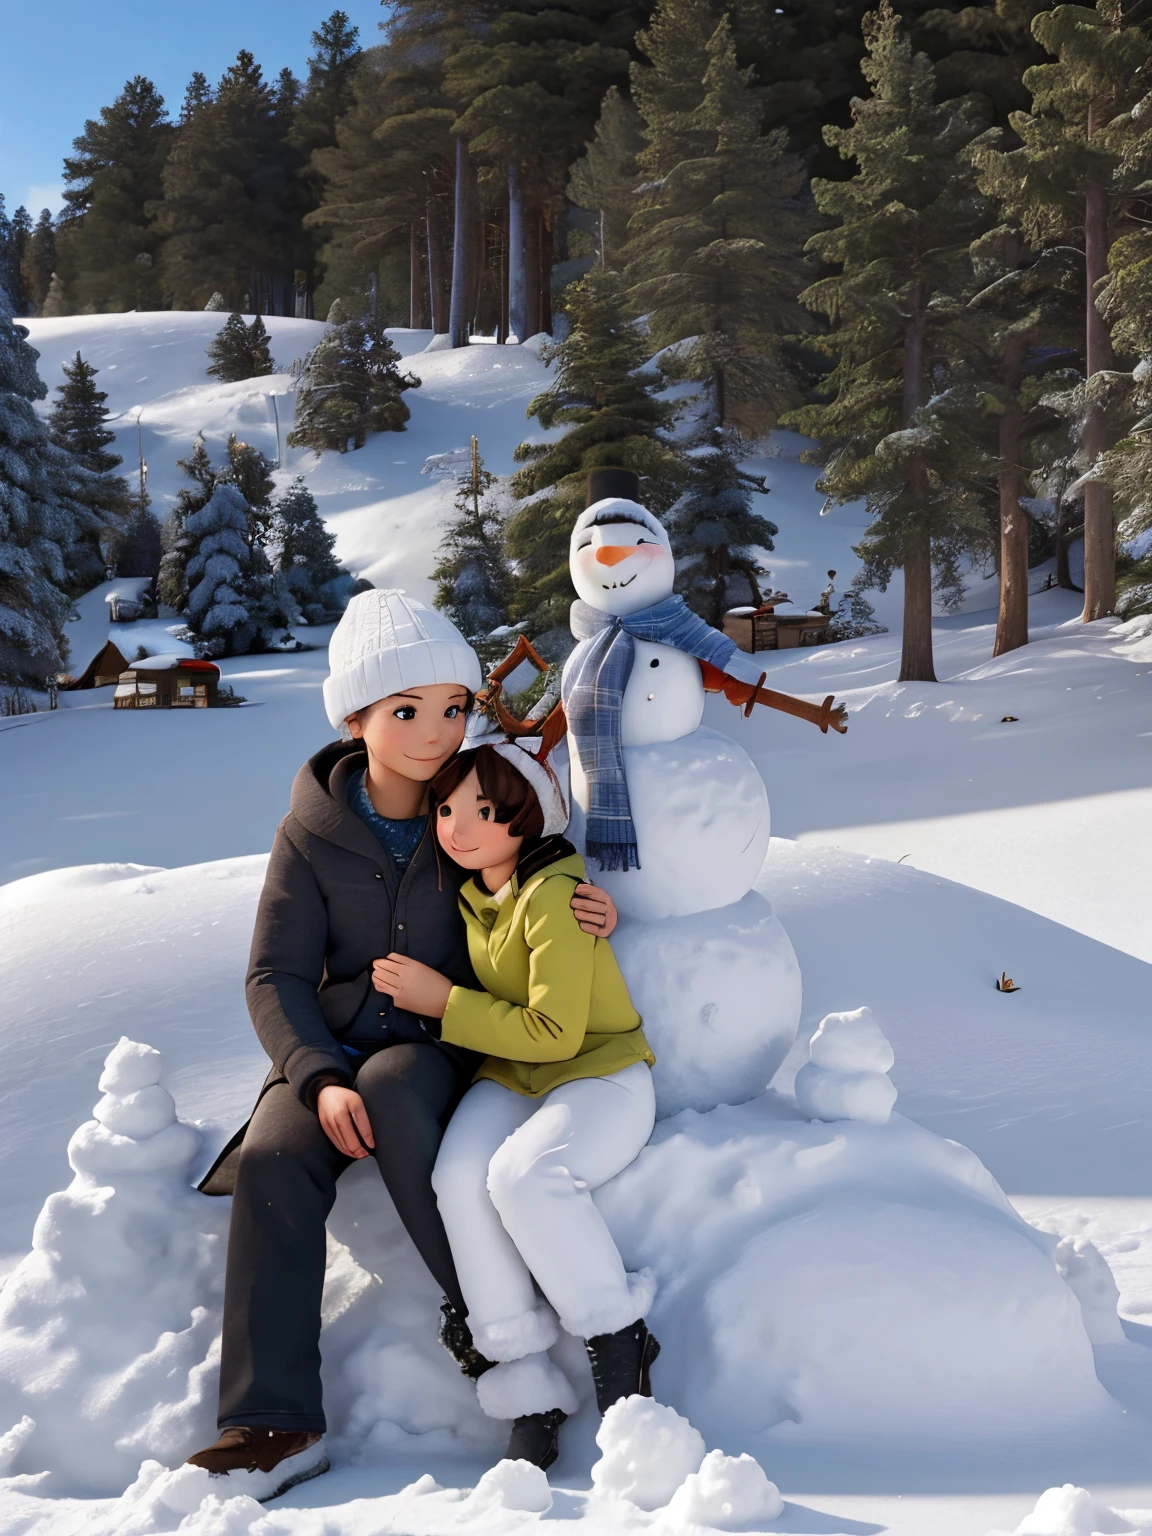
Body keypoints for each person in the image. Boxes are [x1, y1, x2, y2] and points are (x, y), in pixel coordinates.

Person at [186, 591, 618, 1501]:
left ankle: (497, 1340)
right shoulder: (307, 834)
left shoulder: (470, 802)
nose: (436, 731)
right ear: (357, 718)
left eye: (454, 708)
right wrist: (312, 1078)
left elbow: (538, 861)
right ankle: (273, 1423)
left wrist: (591, 908)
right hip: (328, 1050)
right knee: (271, 1158)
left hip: (442, 1041)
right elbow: (275, 978)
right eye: (407, 710)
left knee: (391, 1088)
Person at [372, 726, 659, 1474]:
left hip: (598, 1071)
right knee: (457, 1181)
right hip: (511, 1073)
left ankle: (619, 1340)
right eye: (445, 810)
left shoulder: (557, 895)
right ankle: (524, 1381)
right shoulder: (477, 892)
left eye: (485, 812)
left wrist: (445, 1002)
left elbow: (559, 1032)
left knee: (524, 1177)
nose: (458, 829)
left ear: (528, 818)